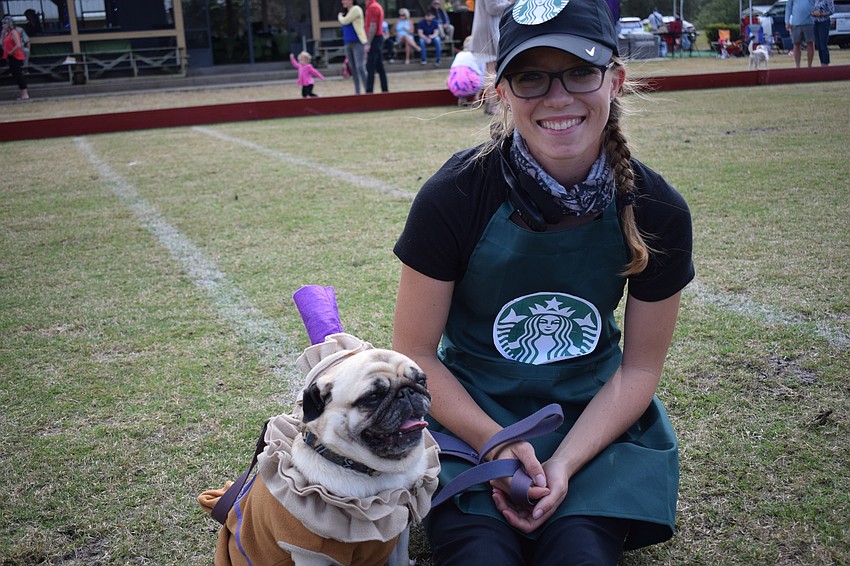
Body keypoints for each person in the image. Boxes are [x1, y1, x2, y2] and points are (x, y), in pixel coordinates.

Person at [392, 0, 694, 563]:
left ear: (615, 80)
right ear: (501, 91)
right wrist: (495, 441)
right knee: (480, 553)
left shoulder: (659, 211)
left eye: (580, 71)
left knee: (581, 551)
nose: (558, 97)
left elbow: (639, 369)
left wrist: (565, 463)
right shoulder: (454, 196)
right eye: (531, 77)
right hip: (468, 421)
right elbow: (416, 355)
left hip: (591, 424)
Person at [469, 0, 513, 114]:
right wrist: (510, 3)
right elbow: (492, 8)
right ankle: (492, 105)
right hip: (488, 33)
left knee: (491, 71)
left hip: (487, 31)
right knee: (493, 71)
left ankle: (490, 103)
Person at [338, 0, 368, 94]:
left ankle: (368, 89)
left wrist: (339, 16)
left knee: (360, 66)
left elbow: (345, 21)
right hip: (348, 43)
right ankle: (357, 92)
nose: (343, 1)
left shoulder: (356, 9)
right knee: (352, 68)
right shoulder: (345, 13)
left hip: (358, 42)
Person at [447, 36, 485, 105]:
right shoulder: (477, 56)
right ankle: (476, 97)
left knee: (460, 76)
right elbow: (482, 73)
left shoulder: (459, 55)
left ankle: (461, 98)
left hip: (454, 86)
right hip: (471, 86)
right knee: (481, 77)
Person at [2, 16, 29, 101]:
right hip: (10, 56)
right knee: (15, 75)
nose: (3, 25)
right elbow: (3, 43)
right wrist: (2, 34)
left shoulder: (14, 32)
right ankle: (22, 93)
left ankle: (25, 93)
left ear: (9, 24)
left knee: (18, 74)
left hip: (15, 55)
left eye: (4, 24)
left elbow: (18, 45)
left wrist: (11, 51)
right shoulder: (7, 33)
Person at [364, 0, 388, 93]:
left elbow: (373, 26)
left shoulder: (372, 7)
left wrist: (368, 43)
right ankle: (384, 89)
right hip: (378, 38)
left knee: (371, 66)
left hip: (375, 38)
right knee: (379, 66)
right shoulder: (375, 6)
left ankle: (369, 91)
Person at [785, 0, 816, 68]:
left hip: (809, 22)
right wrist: (787, 21)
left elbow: (816, 4)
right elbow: (788, 7)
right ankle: (798, 66)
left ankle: (809, 66)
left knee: (810, 43)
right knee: (796, 44)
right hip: (796, 23)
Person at [812, 0, 835, 66]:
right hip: (815, 22)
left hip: (824, 22)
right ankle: (822, 63)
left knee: (823, 44)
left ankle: (826, 63)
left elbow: (831, 10)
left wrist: (820, 13)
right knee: (818, 45)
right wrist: (812, 13)